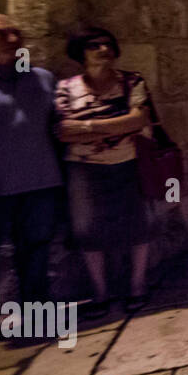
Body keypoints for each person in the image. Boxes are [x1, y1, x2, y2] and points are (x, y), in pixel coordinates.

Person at [0, 13, 64, 351]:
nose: (13, 39)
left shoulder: (42, 79)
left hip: (40, 184)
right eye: (0, 35)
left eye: (16, 33)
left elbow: (58, 127)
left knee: (37, 254)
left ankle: (38, 317)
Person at [53, 26, 153, 316]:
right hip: (84, 169)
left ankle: (137, 286)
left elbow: (139, 119)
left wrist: (85, 126)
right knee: (87, 230)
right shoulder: (66, 88)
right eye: (93, 45)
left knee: (138, 224)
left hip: (128, 161)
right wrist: (116, 123)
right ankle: (100, 293)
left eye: (107, 44)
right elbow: (62, 131)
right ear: (80, 53)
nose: (102, 50)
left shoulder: (132, 81)